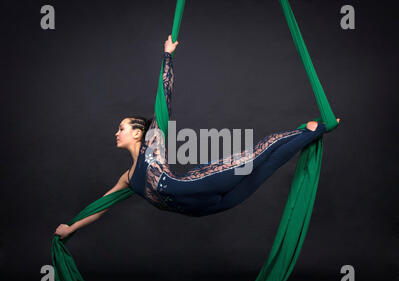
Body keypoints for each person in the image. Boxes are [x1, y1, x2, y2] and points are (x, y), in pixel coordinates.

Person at [55, 35, 340, 239]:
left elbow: (164, 100)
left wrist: (168, 55)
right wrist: (71, 227)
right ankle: (311, 131)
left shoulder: (153, 143)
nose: (116, 133)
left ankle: (316, 128)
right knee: (266, 166)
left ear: (138, 132)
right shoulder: (127, 179)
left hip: (201, 184)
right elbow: (100, 207)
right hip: (211, 206)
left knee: (260, 156)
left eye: (121, 128)